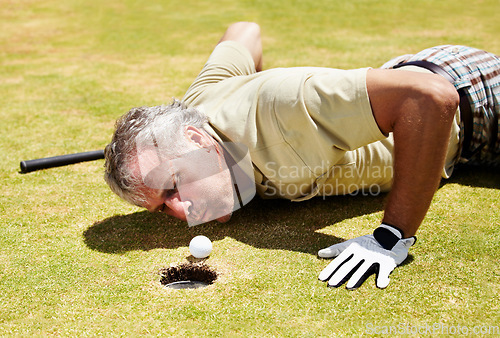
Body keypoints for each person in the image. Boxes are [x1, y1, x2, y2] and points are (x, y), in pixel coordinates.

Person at [104, 22, 499, 289]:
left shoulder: (282, 110)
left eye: (172, 186)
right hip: (427, 94)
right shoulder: (198, 105)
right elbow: (245, 31)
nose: (181, 212)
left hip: (475, 98)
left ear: (196, 139)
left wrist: (390, 235)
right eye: (161, 207)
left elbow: (430, 98)